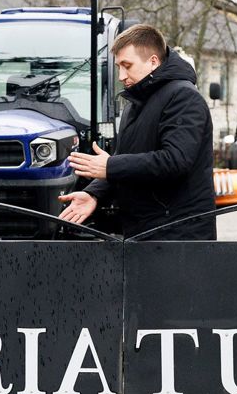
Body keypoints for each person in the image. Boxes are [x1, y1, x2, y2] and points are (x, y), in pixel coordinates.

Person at [59, 23, 217, 240]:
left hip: (178, 236)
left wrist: (110, 166)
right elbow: (127, 163)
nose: (121, 76)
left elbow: (175, 160)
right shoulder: (135, 102)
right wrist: (94, 193)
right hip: (145, 232)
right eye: (118, 67)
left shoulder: (183, 97)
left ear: (153, 61)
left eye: (127, 65)